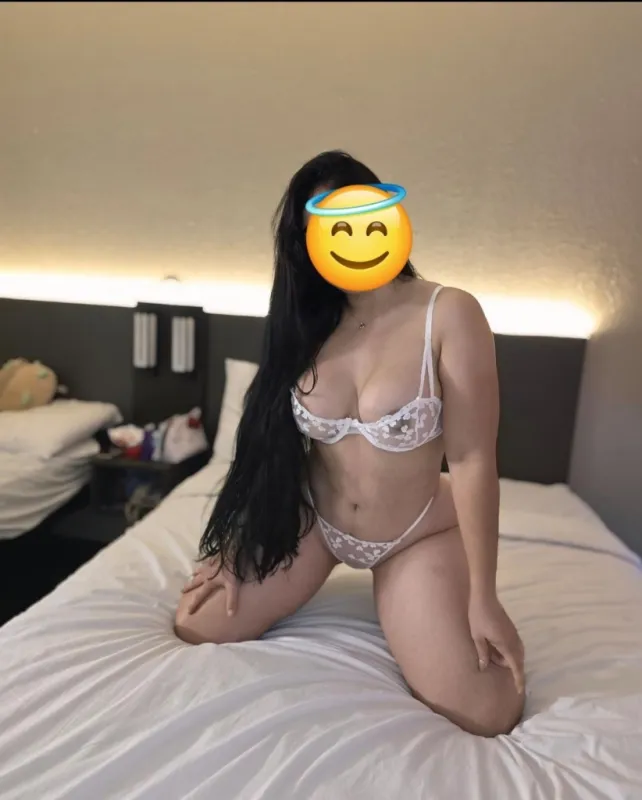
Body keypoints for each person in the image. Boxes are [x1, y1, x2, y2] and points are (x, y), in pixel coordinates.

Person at [175, 150, 525, 737]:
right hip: (319, 522)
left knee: (487, 711)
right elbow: (270, 445)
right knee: (197, 622)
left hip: (412, 529)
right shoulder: (309, 322)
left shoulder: (448, 313)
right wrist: (237, 540)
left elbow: (472, 458)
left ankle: (425, 566)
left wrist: (483, 596)